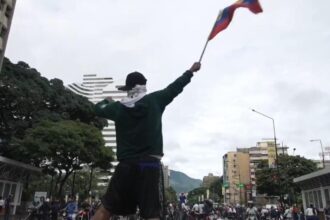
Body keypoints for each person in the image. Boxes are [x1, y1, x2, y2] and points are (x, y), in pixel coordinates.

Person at [92, 62, 201, 220]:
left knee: (106, 209)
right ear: (144, 86)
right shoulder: (155, 100)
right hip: (149, 164)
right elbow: (175, 87)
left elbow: (97, 109)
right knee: (151, 214)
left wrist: (106, 100)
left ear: (128, 89)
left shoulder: (117, 108)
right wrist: (190, 71)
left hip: (126, 164)